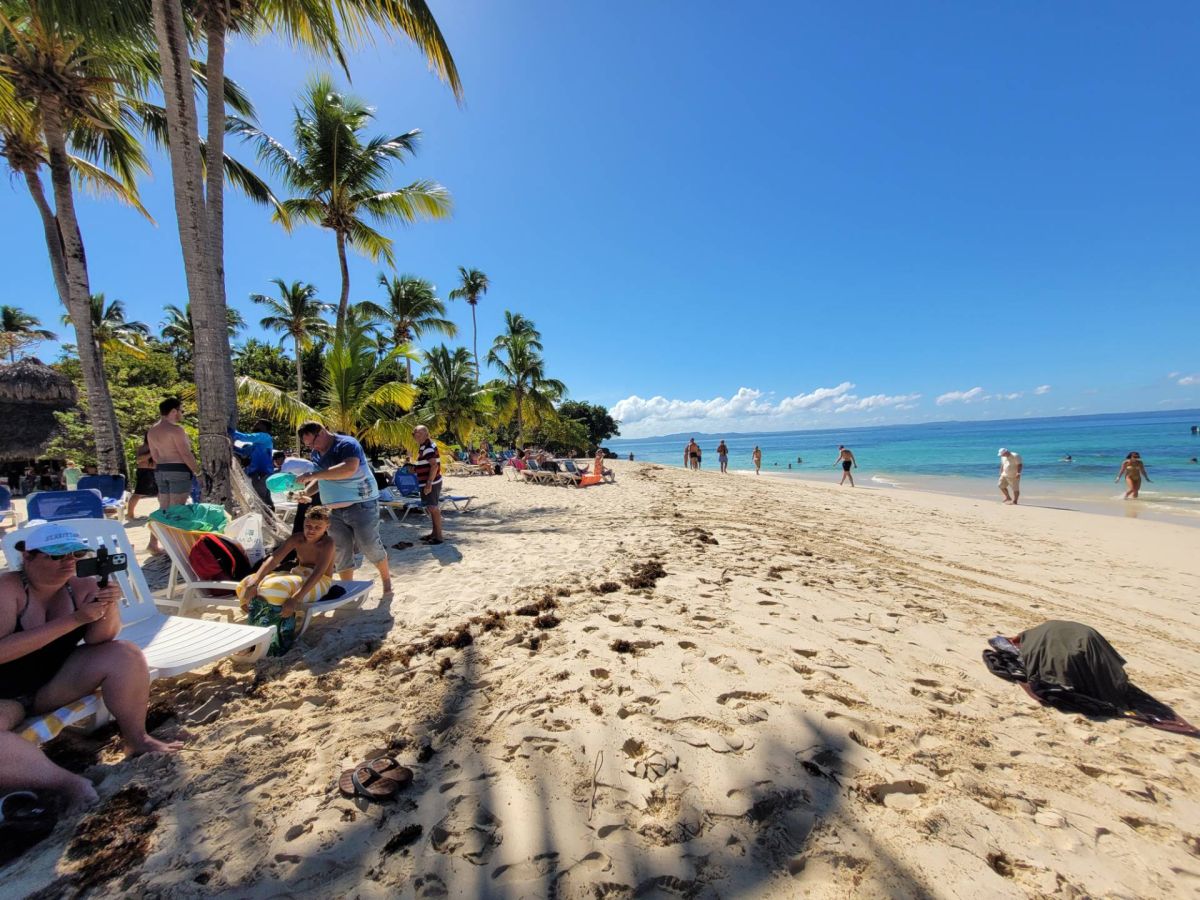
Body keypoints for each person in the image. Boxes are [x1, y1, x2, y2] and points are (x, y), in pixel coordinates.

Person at [0, 523, 182, 808]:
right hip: (5, 694)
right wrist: (74, 620)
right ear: (28, 557)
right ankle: (65, 782)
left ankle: (137, 738)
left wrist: (107, 606)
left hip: (49, 682)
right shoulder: (8, 590)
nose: (68, 562)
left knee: (125, 655)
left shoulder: (82, 585)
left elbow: (101, 638)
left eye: (75, 554)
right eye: (56, 556)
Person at [294, 422, 392, 598]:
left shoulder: (347, 444)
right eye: (307, 445)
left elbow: (348, 468)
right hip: (333, 510)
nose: (311, 447)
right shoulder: (316, 453)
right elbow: (322, 478)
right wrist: (306, 492)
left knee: (369, 545)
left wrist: (313, 475)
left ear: (322, 432)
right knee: (340, 550)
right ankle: (348, 587)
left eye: (312, 442)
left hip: (362, 504)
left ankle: (386, 581)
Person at [236, 505, 335, 655]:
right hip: (298, 573)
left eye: (317, 527)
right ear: (303, 523)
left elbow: (318, 573)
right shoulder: (297, 538)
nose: (311, 530)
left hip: (320, 580)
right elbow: (274, 559)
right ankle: (257, 629)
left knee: (275, 588)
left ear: (327, 527)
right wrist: (255, 581)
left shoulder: (327, 543)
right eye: (308, 525)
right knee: (246, 583)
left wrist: (296, 599)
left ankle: (277, 638)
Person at [147, 397, 198, 512]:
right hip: (179, 470)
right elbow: (185, 454)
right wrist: (198, 472)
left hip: (161, 470)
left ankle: (158, 530)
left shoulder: (152, 431)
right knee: (177, 509)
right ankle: (173, 530)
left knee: (163, 507)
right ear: (174, 411)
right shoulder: (176, 430)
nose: (182, 414)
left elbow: (154, 456)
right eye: (181, 411)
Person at [126, 435, 163, 555]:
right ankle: (130, 514)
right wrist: (151, 452)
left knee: (160, 493)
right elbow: (139, 460)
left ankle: (161, 509)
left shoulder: (158, 446)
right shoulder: (143, 447)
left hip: (155, 471)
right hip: (145, 471)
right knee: (138, 493)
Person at [411, 425, 445, 545]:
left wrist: (429, 484)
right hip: (429, 481)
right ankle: (434, 533)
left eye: (419, 433)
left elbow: (434, 466)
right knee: (431, 508)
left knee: (433, 508)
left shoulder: (428, 447)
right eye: (414, 433)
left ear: (426, 434)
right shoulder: (425, 446)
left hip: (432, 482)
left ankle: (439, 537)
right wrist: (415, 468)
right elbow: (427, 464)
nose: (416, 436)